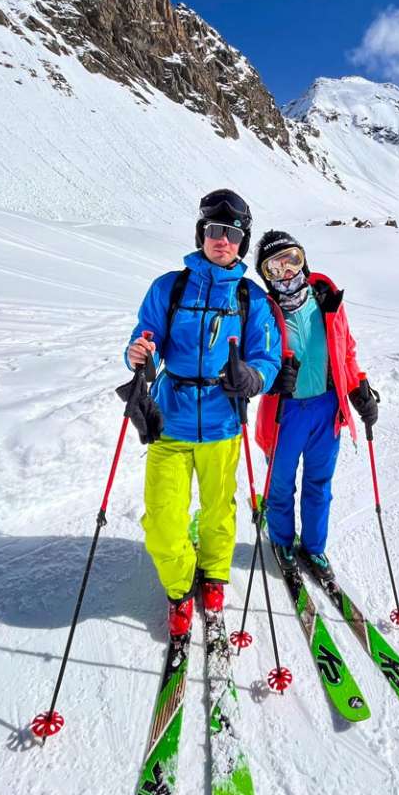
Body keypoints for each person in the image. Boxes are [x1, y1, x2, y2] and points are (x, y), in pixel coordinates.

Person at [125, 190, 281, 639]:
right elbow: (142, 338)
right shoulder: (168, 288)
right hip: (169, 420)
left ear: (242, 242)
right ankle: (178, 589)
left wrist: (252, 377)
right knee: (163, 518)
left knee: (218, 511)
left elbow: (267, 360)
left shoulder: (249, 298)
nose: (223, 241)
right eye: (215, 231)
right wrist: (138, 353)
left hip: (222, 422)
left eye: (233, 234)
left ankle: (213, 576)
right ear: (202, 234)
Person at [254, 230, 379, 581]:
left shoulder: (325, 299)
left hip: (327, 408)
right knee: (280, 484)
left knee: (318, 483)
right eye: (274, 268)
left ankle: (313, 547)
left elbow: (346, 351)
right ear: (265, 276)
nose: (286, 272)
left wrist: (359, 390)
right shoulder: (263, 311)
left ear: (303, 259)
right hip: (285, 413)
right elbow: (254, 359)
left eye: (291, 260)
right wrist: (273, 378)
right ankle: (281, 539)